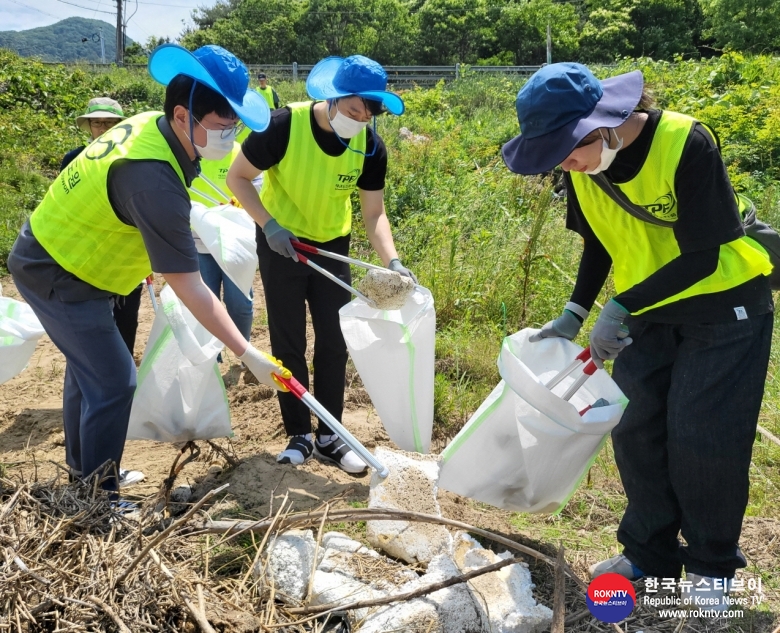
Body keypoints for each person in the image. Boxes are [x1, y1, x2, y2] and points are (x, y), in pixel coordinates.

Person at [502, 63, 773, 607]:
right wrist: (577, 312)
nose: (565, 164)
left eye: (568, 149)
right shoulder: (580, 166)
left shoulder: (685, 143)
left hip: (723, 307)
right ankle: (649, 554)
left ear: (601, 125)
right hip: (648, 310)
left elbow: (703, 255)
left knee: (703, 436)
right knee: (636, 430)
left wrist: (621, 306)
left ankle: (711, 568)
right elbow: (601, 241)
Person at [7, 44, 290, 501]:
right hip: (58, 270)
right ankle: (99, 500)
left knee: (89, 375)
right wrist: (245, 351)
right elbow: (189, 284)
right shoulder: (152, 176)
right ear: (184, 115)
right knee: (115, 382)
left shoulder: (150, 125)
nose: (229, 136)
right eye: (222, 127)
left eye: (234, 125)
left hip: (73, 258)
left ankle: (89, 480)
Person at [227, 55, 415, 474]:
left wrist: (394, 261)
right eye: (353, 110)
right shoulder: (282, 126)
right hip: (281, 243)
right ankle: (299, 434)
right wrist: (270, 226)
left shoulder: (369, 146)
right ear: (333, 97)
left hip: (331, 243)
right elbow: (237, 178)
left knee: (334, 341)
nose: (361, 119)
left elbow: (374, 213)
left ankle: (331, 435)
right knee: (288, 340)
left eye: (370, 113)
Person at [189, 142, 255, 362]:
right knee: (205, 304)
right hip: (197, 242)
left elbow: (259, 186)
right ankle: (212, 360)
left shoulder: (239, 152)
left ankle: (243, 352)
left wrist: (242, 205)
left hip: (234, 241)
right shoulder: (187, 154)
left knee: (240, 303)